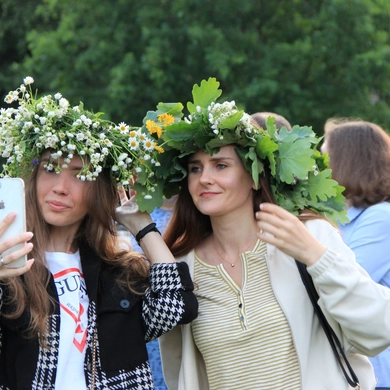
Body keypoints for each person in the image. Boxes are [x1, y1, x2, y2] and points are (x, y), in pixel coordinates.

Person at [141, 77, 390, 390]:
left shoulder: (307, 235)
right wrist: (141, 227)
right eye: (195, 168)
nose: (204, 178)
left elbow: (378, 329)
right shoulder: (182, 263)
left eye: (220, 165)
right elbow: (179, 375)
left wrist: (316, 257)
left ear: (255, 176)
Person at [0, 77, 198, 389]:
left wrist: (141, 226)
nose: (60, 188)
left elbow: (176, 307)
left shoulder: (116, 272)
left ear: (98, 189)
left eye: (79, 175)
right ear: (34, 176)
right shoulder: (10, 267)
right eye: (51, 169)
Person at [322, 118, 390, 389]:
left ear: (348, 161)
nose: (316, 167)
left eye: (325, 156)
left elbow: (345, 282)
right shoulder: (342, 218)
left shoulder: (381, 218)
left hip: (378, 373)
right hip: (350, 370)